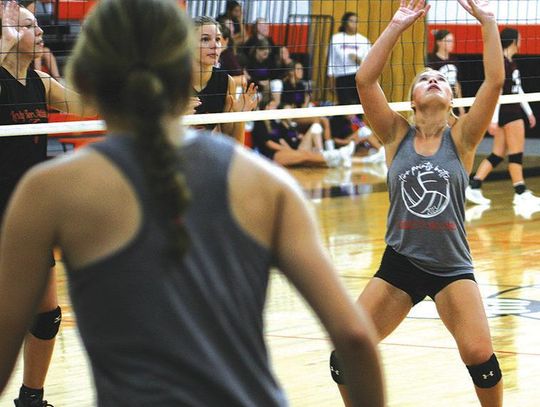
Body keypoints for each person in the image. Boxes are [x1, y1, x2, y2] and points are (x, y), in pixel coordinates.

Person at [0, 1, 385, 406]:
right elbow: (356, 338)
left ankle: (31, 395)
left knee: (46, 318)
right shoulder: (268, 187)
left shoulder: (51, 192)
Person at [330, 1, 504, 406]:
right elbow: (364, 79)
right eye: (424, 78)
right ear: (411, 100)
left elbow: (493, 82)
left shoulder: (462, 139)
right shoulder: (395, 135)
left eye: (439, 79)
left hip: (451, 268)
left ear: (449, 98)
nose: (433, 80)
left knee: (481, 358)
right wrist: (396, 25)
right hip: (400, 264)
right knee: (345, 356)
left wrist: (488, 22)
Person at [0, 2, 94, 406]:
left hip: (27, 218)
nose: (40, 31)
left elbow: (89, 109)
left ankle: (31, 398)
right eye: (27, 25)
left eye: (39, 24)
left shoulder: (41, 82)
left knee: (45, 317)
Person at [466, 27, 540, 207]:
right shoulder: (503, 64)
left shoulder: (510, 62)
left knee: (497, 154)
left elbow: (518, 89)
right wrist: (493, 120)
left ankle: (474, 185)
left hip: (510, 112)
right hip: (510, 114)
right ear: (514, 41)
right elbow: (497, 93)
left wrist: (529, 111)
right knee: (516, 154)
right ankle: (520, 192)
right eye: (520, 39)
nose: (521, 42)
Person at [192, 16, 257, 143]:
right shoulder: (173, 80)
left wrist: (240, 117)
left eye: (217, 39)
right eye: (205, 39)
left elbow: (233, 146)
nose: (215, 46)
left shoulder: (226, 81)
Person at [252, 100, 355, 168]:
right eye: (272, 106)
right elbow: (269, 143)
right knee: (305, 156)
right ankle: (338, 155)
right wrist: (289, 151)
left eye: (275, 106)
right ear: (265, 107)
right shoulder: (259, 122)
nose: (275, 108)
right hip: (269, 157)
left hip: (282, 152)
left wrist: (291, 150)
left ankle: (338, 157)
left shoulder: (274, 123)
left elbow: (280, 140)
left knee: (307, 157)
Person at [327, 12, 371, 106]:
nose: (354, 24)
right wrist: (330, 80)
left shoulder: (363, 40)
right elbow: (330, 61)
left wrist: (358, 60)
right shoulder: (336, 39)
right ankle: (351, 121)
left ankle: (358, 121)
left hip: (358, 76)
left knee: (359, 105)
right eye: (351, 21)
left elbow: (369, 64)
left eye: (356, 21)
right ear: (345, 23)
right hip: (342, 77)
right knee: (344, 106)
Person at [426, 29, 466, 118]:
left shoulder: (454, 60)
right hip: (438, 103)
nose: (451, 43)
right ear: (439, 42)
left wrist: (461, 106)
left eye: (452, 41)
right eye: (448, 41)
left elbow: (456, 84)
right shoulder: (432, 61)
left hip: (452, 102)